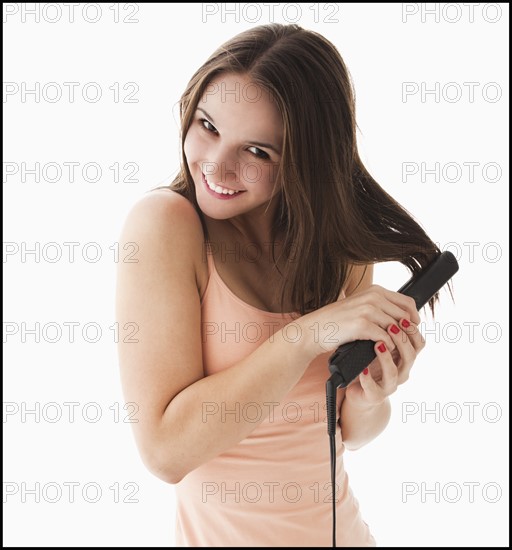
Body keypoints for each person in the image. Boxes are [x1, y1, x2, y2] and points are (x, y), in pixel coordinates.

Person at [116, 23, 447, 547]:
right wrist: (306, 335)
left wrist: (373, 392)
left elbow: (351, 432)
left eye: (258, 152)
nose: (216, 164)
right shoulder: (166, 226)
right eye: (208, 125)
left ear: (305, 160)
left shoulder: (335, 247)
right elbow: (165, 451)